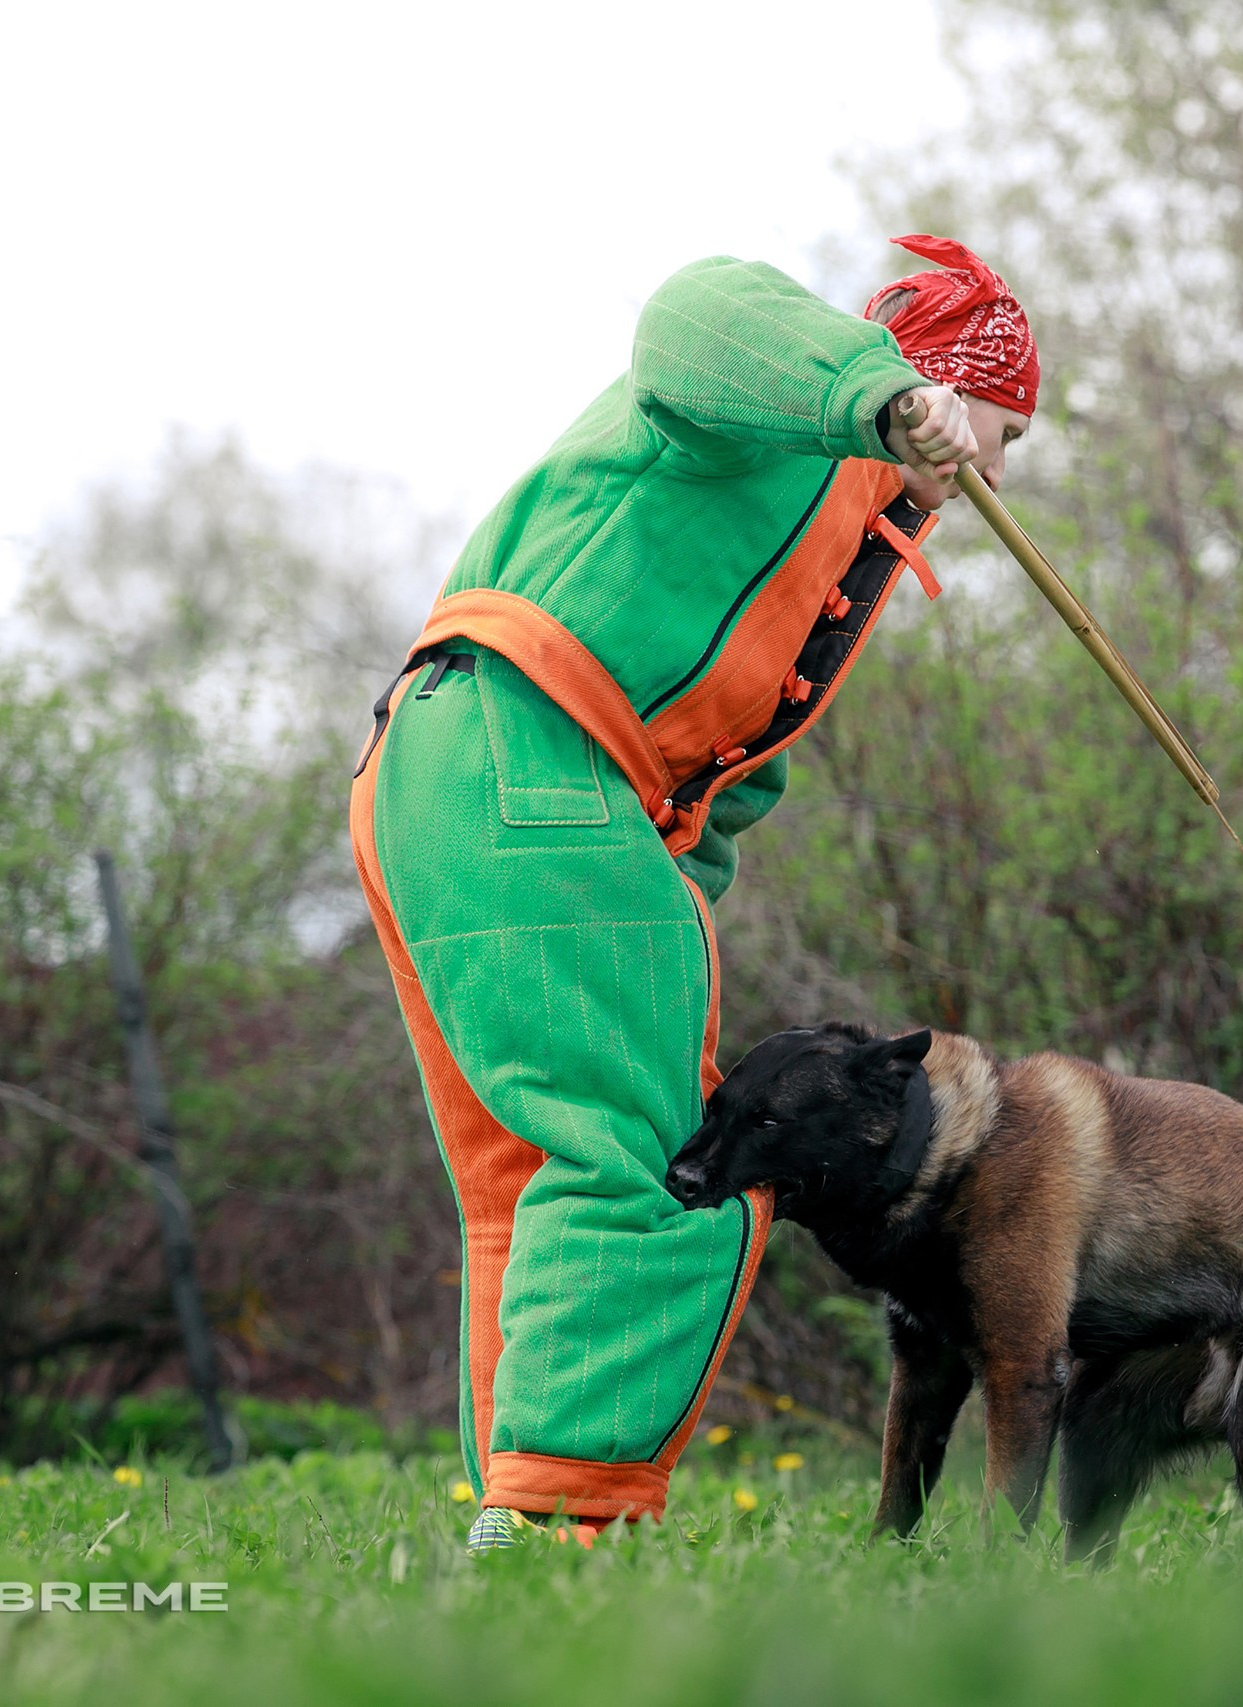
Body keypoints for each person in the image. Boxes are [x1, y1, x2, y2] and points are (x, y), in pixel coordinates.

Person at [347, 235, 1036, 1551]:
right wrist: (885, 400)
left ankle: (519, 1520)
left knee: (536, 1178)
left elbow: (730, 782)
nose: (997, 472)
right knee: (663, 1171)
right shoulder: (795, 411)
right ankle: (556, 1549)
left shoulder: (854, 534)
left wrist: (673, 881)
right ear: (947, 391)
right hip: (533, 752)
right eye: (1001, 430)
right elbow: (693, 309)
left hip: (447, 768)